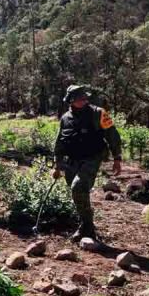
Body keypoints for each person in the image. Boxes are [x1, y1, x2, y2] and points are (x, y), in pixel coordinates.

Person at [53, 85, 122, 241]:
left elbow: (113, 135)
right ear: (71, 100)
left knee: (78, 187)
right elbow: (60, 142)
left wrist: (117, 158)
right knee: (77, 192)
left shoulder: (99, 113)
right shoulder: (65, 118)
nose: (84, 100)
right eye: (79, 98)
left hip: (92, 158)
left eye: (85, 97)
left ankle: (87, 228)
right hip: (72, 160)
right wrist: (57, 163)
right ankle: (87, 226)